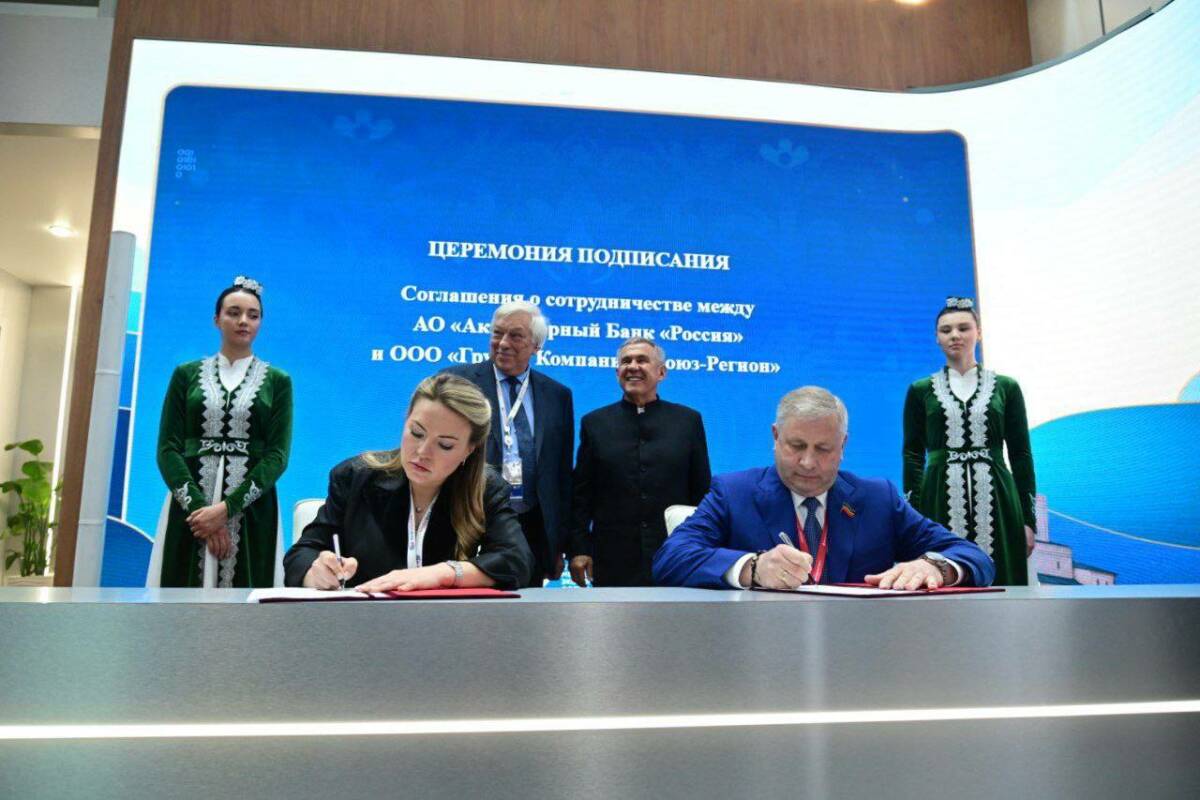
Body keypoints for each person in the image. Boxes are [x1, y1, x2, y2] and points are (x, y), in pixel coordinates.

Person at [653, 386, 994, 590]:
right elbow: (670, 559)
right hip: (762, 649)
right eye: (797, 446)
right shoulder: (734, 492)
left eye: (823, 449)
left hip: (858, 653)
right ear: (775, 437)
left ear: (842, 445)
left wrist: (936, 567)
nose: (807, 462)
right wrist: (753, 568)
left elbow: (975, 557)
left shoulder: (878, 498)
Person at [283, 374, 533, 591]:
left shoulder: (486, 489)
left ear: (469, 450)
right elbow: (302, 554)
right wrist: (316, 572)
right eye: (416, 432)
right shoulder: (354, 477)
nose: (422, 452)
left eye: (445, 445)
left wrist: (442, 574)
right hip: (364, 622)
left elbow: (517, 562)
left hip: (447, 624)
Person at [153, 276, 292, 588]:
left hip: (252, 511)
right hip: (190, 509)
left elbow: (277, 456)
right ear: (216, 319)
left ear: (260, 323)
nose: (243, 321)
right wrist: (200, 511)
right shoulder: (185, 374)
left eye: (253, 315)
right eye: (233, 312)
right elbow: (168, 449)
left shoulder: (278, 381)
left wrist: (227, 510)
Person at [902, 296, 1037, 586]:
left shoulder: (1006, 387)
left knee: (1005, 581)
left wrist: (1028, 520)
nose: (955, 335)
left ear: (979, 333)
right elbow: (912, 455)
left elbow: (1021, 454)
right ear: (937, 337)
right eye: (946, 330)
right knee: (939, 577)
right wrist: (913, 519)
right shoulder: (920, 390)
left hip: (998, 499)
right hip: (938, 496)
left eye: (963, 328)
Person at [444, 301, 573, 587]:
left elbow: (562, 476)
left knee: (526, 606)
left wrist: (559, 544)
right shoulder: (456, 382)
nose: (503, 343)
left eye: (515, 336)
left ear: (536, 345)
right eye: (497, 333)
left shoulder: (557, 396)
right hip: (469, 516)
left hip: (532, 526)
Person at [569, 337, 710, 586]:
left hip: (675, 554)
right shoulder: (595, 423)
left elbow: (701, 490)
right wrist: (579, 549)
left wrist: (705, 547)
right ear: (617, 373)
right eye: (626, 361)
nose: (633, 366)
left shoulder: (688, 421)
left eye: (642, 360)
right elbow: (582, 494)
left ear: (661, 373)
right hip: (612, 557)